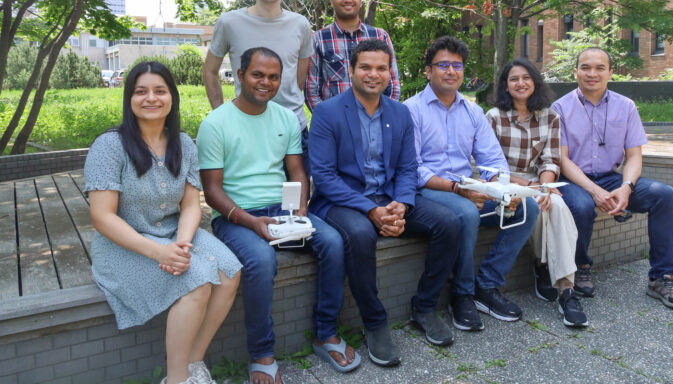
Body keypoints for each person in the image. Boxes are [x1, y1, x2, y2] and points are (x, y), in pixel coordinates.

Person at [197, 47, 354, 384]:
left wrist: (300, 209)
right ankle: (262, 355)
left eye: (272, 76)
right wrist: (250, 221)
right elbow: (212, 191)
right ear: (240, 76)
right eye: (257, 74)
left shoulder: (285, 118)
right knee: (261, 261)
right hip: (236, 216)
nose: (265, 82)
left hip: (281, 211)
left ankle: (325, 334)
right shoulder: (216, 123)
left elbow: (297, 171)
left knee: (333, 242)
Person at [84, 62, 242, 384]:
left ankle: (194, 362)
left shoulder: (183, 143)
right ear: (129, 98)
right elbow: (102, 216)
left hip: (172, 233)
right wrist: (159, 253)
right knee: (196, 281)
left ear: (172, 97)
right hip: (125, 243)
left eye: (160, 90)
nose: (151, 98)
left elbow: (189, 204)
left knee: (230, 271)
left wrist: (181, 244)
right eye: (141, 91)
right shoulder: (109, 147)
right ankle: (176, 378)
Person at [309, 39, 461, 364]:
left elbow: (408, 168)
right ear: (351, 71)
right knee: (361, 234)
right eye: (365, 67)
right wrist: (371, 210)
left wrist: (401, 205)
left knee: (448, 222)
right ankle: (375, 323)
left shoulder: (400, 112)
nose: (373, 74)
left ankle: (424, 307)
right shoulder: (327, 112)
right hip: (342, 203)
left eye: (381, 68)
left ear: (389, 73)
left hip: (389, 198)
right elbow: (324, 177)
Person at [404, 36, 540, 332]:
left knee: (526, 207)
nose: (450, 71)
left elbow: (491, 161)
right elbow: (413, 169)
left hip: (468, 189)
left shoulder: (473, 111)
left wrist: (503, 190)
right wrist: (457, 190)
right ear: (428, 71)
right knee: (465, 212)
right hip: (430, 191)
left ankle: (486, 287)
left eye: (457, 65)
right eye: (443, 65)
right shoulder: (411, 110)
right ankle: (461, 294)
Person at [552, 47, 673, 310]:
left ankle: (662, 277)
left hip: (612, 178)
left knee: (664, 195)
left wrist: (626, 187)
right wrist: (594, 191)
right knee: (581, 206)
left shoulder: (625, 106)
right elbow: (562, 160)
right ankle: (580, 267)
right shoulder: (559, 107)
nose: (592, 73)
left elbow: (634, 156)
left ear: (610, 72)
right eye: (585, 67)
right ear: (575, 72)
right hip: (572, 179)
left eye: (599, 68)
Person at [486, 59, 588, 328]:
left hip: (537, 181)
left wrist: (544, 185)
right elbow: (490, 166)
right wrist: (531, 188)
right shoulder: (493, 117)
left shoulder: (550, 116)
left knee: (555, 204)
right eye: (513, 79)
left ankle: (566, 290)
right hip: (504, 183)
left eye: (526, 77)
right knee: (541, 202)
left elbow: (550, 160)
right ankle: (546, 269)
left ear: (535, 82)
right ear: (505, 86)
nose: (520, 83)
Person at [202, 0, 314, 172]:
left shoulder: (300, 24)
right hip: (245, 128)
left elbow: (298, 76)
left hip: (292, 129)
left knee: (295, 200)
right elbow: (209, 71)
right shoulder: (229, 23)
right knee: (250, 197)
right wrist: (220, 114)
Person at [305, 0, 400, 109]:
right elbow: (312, 91)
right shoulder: (318, 39)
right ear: (332, 0)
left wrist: (383, 118)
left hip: (376, 121)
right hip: (335, 125)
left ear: (360, 0)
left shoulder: (380, 36)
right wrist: (328, 123)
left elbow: (393, 85)